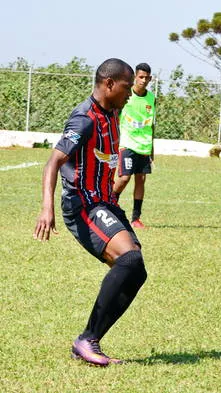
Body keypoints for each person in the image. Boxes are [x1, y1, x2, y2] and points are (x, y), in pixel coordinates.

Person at [33, 58, 147, 367]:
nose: (131, 93)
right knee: (130, 259)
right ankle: (87, 339)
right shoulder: (84, 119)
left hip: (106, 202)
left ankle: (89, 339)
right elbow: (53, 162)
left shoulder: (113, 111)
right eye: (126, 86)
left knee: (136, 271)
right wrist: (47, 207)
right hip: (83, 205)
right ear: (109, 84)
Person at [113, 63, 156, 229]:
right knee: (124, 178)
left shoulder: (151, 98)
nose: (143, 81)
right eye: (141, 77)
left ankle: (136, 218)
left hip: (144, 146)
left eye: (147, 78)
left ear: (150, 79)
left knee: (141, 180)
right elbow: (116, 117)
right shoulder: (126, 95)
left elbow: (151, 125)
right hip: (127, 144)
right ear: (135, 77)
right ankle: (110, 206)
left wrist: (152, 149)